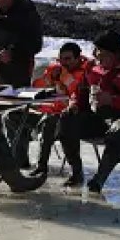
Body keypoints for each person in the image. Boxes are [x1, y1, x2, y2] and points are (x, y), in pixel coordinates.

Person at [58, 31, 120, 192]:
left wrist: (113, 100)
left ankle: (98, 180)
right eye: (97, 54)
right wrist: (74, 104)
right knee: (66, 120)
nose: (98, 59)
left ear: (115, 54)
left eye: (103, 56)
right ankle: (77, 172)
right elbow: (80, 92)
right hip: (98, 119)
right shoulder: (93, 68)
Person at [30, 42, 92, 174]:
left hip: (75, 116)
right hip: (51, 111)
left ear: (78, 58)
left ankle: (74, 172)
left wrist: (65, 77)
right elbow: (35, 87)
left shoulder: (87, 71)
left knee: (51, 122)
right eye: (61, 59)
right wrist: (49, 77)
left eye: (68, 59)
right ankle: (37, 166)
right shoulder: (56, 70)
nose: (64, 63)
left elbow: (77, 94)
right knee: (13, 117)